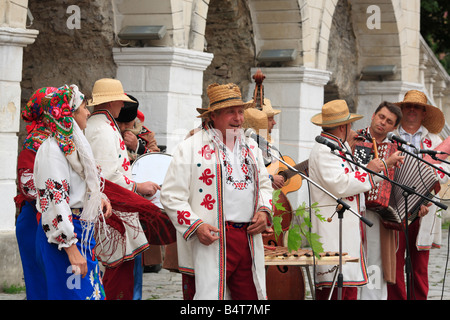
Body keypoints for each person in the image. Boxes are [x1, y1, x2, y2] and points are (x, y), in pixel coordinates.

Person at [160, 83, 273, 300]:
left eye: (241, 111)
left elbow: (265, 185)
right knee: (211, 297)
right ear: (213, 115)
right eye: (231, 112)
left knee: (250, 297)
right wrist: (197, 226)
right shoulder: (190, 148)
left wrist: (264, 210)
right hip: (213, 237)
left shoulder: (252, 148)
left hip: (248, 238)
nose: (238, 118)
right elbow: (171, 195)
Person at [308, 99, 402, 300]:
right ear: (343, 126)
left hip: (346, 233)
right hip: (334, 232)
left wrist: (379, 169)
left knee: (348, 288)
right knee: (336, 290)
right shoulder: (324, 150)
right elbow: (341, 185)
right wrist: (373, 169)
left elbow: (355, 180)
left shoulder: (337, 147)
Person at [33, 84, 112, 299]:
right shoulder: (52, 150)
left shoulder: (73, 146)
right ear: (69, 114)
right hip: (65, 238)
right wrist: (70, 247)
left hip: (79, 231)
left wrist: (98, 199)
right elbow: (54, 200)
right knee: (75, 296)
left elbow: (81, 183)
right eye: (84, 107)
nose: (88, 112)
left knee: (87, 295)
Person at [85, 78, 159, 300]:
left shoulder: (103, 126)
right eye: (120, 101)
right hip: (112, 213)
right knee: (114, 278)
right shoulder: (102, 130)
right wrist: (138, 186)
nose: (122, 106)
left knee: (118, 276)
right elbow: (106, 178)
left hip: (115, 212)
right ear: (113, 102)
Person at [387, 90, 449, 300]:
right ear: (402, 110)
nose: (412, 110)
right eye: (408, 106)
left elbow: (443, 173)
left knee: (419, 266)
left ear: (424, 113)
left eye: (417, 107)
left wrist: (425, 199)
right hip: (394, 207)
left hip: (424, 210)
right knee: (393, 264)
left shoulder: (434, 140)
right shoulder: (389, 138)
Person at [350, 101, 405, 299]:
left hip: (380, 214)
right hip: (353, 208)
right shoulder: (354, 138)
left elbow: (403, 181)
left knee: (375, 262)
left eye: (389, 121)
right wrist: (384, 164)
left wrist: (419, 204)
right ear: (373, 115)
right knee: (354, 260)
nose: (382, 123)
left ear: (393, 127)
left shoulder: (396, 148)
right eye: (381, 117)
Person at [14, 87, 58, 299]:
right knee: (40, 283)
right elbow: (28, 185)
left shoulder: (60, 138)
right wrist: (60, 193)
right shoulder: (34, 143)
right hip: (35, 220)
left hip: (54, 216)